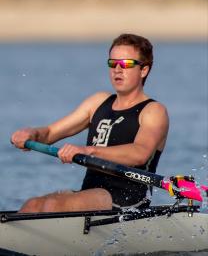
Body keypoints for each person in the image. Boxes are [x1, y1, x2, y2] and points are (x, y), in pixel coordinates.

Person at [11, 33, 169, 213]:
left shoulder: (154, 111)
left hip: (128, 200)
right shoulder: (97, 103)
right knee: (33, 205)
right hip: (90, 195)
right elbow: (48, 133)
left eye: (125, 64)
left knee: (52, 206)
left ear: (144, 70)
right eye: (112, 63)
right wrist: (32, 134)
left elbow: (140, 153)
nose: (117, 69)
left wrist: (88, 150)